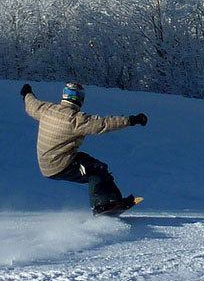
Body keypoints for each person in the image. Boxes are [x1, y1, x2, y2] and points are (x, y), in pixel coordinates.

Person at [21, 81, 147, 215]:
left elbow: (31, 104)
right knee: (95, 170)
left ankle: (113, 200)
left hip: (50, 162)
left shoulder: (47, 109)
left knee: (94, 165)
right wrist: (131, 120)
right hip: (60, 165)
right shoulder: (76, 119)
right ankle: (101, 206)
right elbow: (104, 124)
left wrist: (27, 93)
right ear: (80, 99)